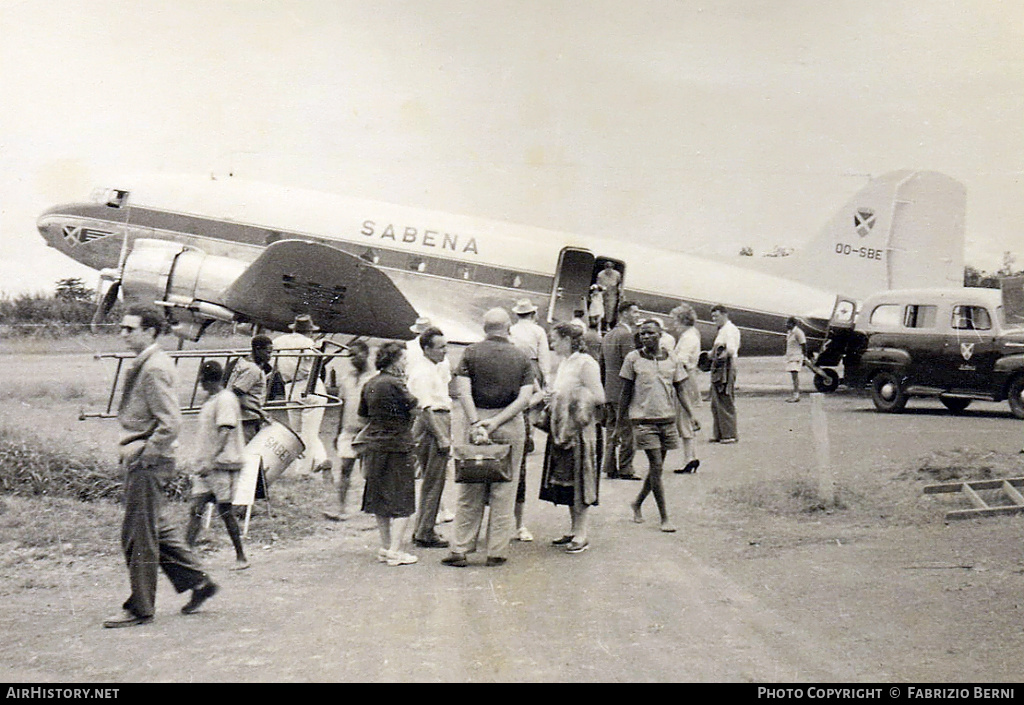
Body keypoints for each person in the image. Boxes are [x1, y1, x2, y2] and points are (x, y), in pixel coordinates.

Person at [103, 306, 216, 628]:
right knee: (156, 528)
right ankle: (199, 581)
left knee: (138, 535)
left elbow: (171, 423)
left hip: (148, 462)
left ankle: (140, 607)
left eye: (130, 328)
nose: (123, 333)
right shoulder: (149, 362)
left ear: (151, 332)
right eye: (122, 328)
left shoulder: (153, 367)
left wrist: (146, 455)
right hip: (144, 459)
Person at [442, 308, 535, 568]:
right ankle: (496, 551)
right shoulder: (522, 357)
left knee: (470, 485)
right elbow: (525, 398)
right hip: (509, 422)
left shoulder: (470, 353)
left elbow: (463, 393)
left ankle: (460, 548)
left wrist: (477, 423)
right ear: (508, 328)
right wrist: (496, 422)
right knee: (505, 488)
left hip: (476, 420)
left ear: (485, 328)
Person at [621, 319, 695, 533]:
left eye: (650, 333)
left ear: (660, 334)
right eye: (642, 333)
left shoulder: (671, 358)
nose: (645, 337)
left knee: (657, 469)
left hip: (667, 419)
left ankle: (637, 503)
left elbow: (680, 389)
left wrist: (691, 415)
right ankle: (665, 517)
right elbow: (625, 393)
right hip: (643, 422)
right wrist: (619, 425)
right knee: (656, 466)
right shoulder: (633, 358)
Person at [539, 323, 605, 553]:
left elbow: (598, 396)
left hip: (579, 432)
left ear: (567, 339)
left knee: (580, 481)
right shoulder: (566, 362)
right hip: (562, 430)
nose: (552, 343)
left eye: (555, 339)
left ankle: (582, 533)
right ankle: (573, 529)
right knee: (566, 481)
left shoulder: (586, 363)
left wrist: (566, 401)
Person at [356, 342, 420, 567]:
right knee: (403, 500)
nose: (405, 363)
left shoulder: (370, 383)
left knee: (379, 498)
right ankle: (395, 550)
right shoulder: (397, 384)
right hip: (398, 445)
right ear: (394, 361)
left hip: (374, 445)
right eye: (403, 359)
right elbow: (415, 409)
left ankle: (385, 546)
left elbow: (362, 417)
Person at [185, 361, 249, 570]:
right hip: (207, 467)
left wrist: (212, 460)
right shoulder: (211, 400)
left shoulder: (226, 400)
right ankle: (185, 557)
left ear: (208, 380)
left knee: (225, 511)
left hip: (223, 465)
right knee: (196, 508)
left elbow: (225, 430)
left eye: (202, 380)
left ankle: (241, 556)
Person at [508, 297, 551, 543]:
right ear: (533, 314)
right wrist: (546, 378)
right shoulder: (538, 331)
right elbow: (544, 358)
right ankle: (519, 524)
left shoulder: (511, 331)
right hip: (531, 368)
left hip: (515, 372)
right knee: (529, 412)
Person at [406, 327, 453, 549]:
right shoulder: (422, 372)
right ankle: (425, 531)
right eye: (440, 347)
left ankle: (424, 527)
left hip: (439, 420)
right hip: (433, 424)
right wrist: (442, 436)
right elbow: (425, 409)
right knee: (434, 480)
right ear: (426, 349)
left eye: (446, 345)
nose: (445, 350)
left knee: (434, 480)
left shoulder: (434, 368)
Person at [272, 314, 330, 478]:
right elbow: (313, 360)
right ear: (309, 331)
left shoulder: (279, 341)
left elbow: (273, 361)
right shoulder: (308, 343)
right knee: (309, 433)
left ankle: (317, 462)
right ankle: (309, 468)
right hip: (309, 384)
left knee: (298, 432)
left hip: (289, 386)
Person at [322, 340, 373, 521]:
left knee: (370, 473)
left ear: (366, 354)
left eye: (356, 354)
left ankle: (374, 511)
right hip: (349, 430)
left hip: (367, 431)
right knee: (345, 468)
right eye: (349, 355)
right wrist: (338, 431)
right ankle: (341, 508)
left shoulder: (374, 378)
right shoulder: (346, 379)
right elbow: (342, 407)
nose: (352, 358)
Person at [601, 300, 641, 480]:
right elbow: (631, 363)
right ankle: (626, 468)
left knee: (611, 428)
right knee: (628, 430)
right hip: (623, 391)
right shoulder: (626, 335)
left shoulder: (608, 335)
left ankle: (609, 466)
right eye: (634, 312)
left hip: (610, 389)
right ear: (624, 313)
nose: (637, 315)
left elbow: (602, 364)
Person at [669, 303, 702, 474]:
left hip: (684, 379)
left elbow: (681, 360)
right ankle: (691, 457)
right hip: (687, 378)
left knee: (684, 420)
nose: (674, 325)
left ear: (682, 320)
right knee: (686, 419)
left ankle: (689, 459)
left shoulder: (688, 338)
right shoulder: (690, 335)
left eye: (675, 321)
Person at [227, 335, 274, 444]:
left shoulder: (242, 361)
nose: (270, 357)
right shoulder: (253, 370)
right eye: (267, 352)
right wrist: (259, 412)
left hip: (244, 416)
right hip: (247, 418)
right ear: (257, 349)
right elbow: (236, 393)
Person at [709, 304, 741, 443]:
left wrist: (715, 356)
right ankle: (720, 433)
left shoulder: (730, 330)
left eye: (716, 316)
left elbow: (731, 350)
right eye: (713, 316)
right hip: (719, 367)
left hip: (726, 367)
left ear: (724, 314)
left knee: (725, 399)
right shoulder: (723, 329)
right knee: (716, 401)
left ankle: (729, 434)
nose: (714, 319)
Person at [785, 316, 807, 403]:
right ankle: (795, 394)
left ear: (792, 324)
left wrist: (804, 358)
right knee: (793, 377)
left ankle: (796, 395)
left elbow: (804, 345)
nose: (786, 324)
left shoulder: (798, 333)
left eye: (788, 323)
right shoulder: (790, 332)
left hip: (796, 357)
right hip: (791, 357)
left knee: (795, 377)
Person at [596, 261, 622, 330]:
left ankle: (608, 324)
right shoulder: (600, 274)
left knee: (610, 309)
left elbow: (619, 284)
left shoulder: (617, 274)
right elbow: (598, 284)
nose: (608, 270)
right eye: (607, 268)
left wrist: (619, 291)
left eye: (610, 268)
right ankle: (598, 324)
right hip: (603, 293)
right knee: (600, 308)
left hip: (612, 293)